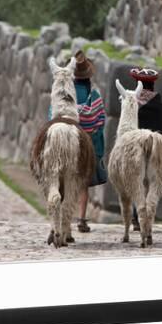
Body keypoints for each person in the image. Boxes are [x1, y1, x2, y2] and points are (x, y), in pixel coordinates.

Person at [48, 50, 107, 234]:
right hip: (86, 143)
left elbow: (52, 115)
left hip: (61, 137)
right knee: (82, 184)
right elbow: (100, 121)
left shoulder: (65, 94)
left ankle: (58, 222)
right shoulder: (94, 95)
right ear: (88, 75)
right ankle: (81, 219)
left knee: (59, 179)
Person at [128, 67, 162, 231]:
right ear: (152, 85)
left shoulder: (133, 103)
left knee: (136, 180)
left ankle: (135, 216)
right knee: (150, 182)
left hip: (136, 147)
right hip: (154, 148)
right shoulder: (159, 105)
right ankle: (146, 216)